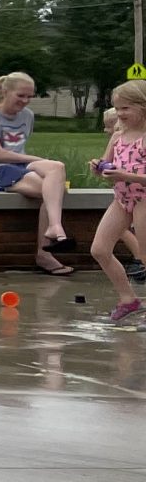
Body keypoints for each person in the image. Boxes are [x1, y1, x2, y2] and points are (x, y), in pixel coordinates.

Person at [0, 71, 74, 274]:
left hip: (19, 167)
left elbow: (19, 151)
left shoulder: (27, 115)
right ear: (5, 91)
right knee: (52, 190)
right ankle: (45, 253)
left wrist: (41, 163)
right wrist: (38, 160)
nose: (25, 101)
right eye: (20, 95)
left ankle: (54, 229)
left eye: (29, 96)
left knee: (57, 167)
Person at [86, 80, 146, 325]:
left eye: (126, 108)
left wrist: (126, 176)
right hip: (122, 199)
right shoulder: (118, 137)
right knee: (100, 249)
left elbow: (128, 174)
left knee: (144, 254)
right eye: (117, 108)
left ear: (143, 106)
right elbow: (107, 166)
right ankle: (128, 299)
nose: (120, 113)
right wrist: (99, 168)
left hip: (143, 199)